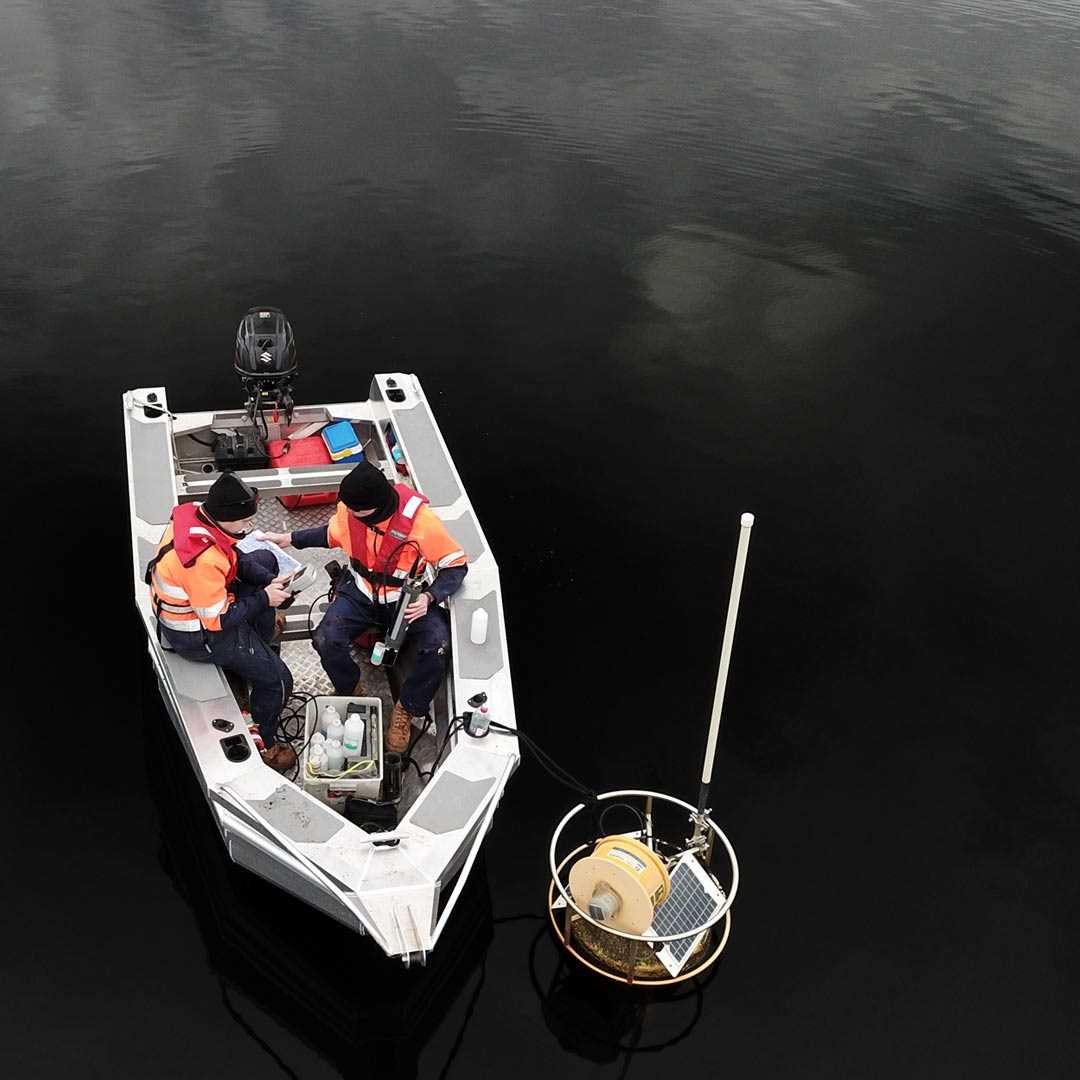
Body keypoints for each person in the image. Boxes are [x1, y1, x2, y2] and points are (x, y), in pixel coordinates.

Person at [260, 462, 467, 753]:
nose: (348, 512)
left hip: (404, 600)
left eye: (355, 510)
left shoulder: (422, 524)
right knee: (325, 638)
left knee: (438, 645)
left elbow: (455, 565)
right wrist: (290, 539)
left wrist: (429, 598)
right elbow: (330, 534)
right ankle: (349, 688)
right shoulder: (350, 510)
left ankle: (408, 707)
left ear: (374, 508)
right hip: (359, 592)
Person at [146, 473, 297, 773]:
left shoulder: (202, 520)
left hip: (206, 608)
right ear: (226, 518)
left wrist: (269, 582)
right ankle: (264, 741)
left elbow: (236, 558)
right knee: (279, 680)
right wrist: (265, 599)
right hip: (198, 635)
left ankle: (257, 647)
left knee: (265, 559)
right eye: (244, 522)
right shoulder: (202, 560)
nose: (247, 528)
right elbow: (218, 619)